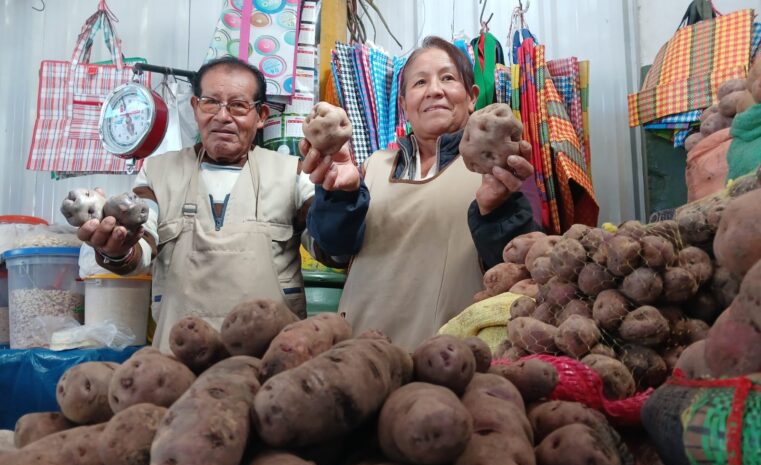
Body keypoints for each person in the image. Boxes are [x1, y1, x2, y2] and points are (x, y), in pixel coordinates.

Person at [303, 36, 541, 350]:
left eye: (447, 78)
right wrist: (340, 198)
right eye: (419, 82)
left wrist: (498, 211)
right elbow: (333, 252)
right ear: (403, 105)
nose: (434, 90)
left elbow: (523, 271)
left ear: (471, 97)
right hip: (361, 354)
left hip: (452, 360)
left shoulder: (501, 173)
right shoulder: (372, 166)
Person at [77, 57, 317, 351]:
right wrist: (117, 251)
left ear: (261, 115)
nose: (222, 116)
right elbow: (141, 244)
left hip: (271, 361)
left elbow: (328, 247)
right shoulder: (157, 173)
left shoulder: (293, 174)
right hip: (179, 360)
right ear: (195, 108)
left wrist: (339, 197)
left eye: (239, 105)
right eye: (210, 103)